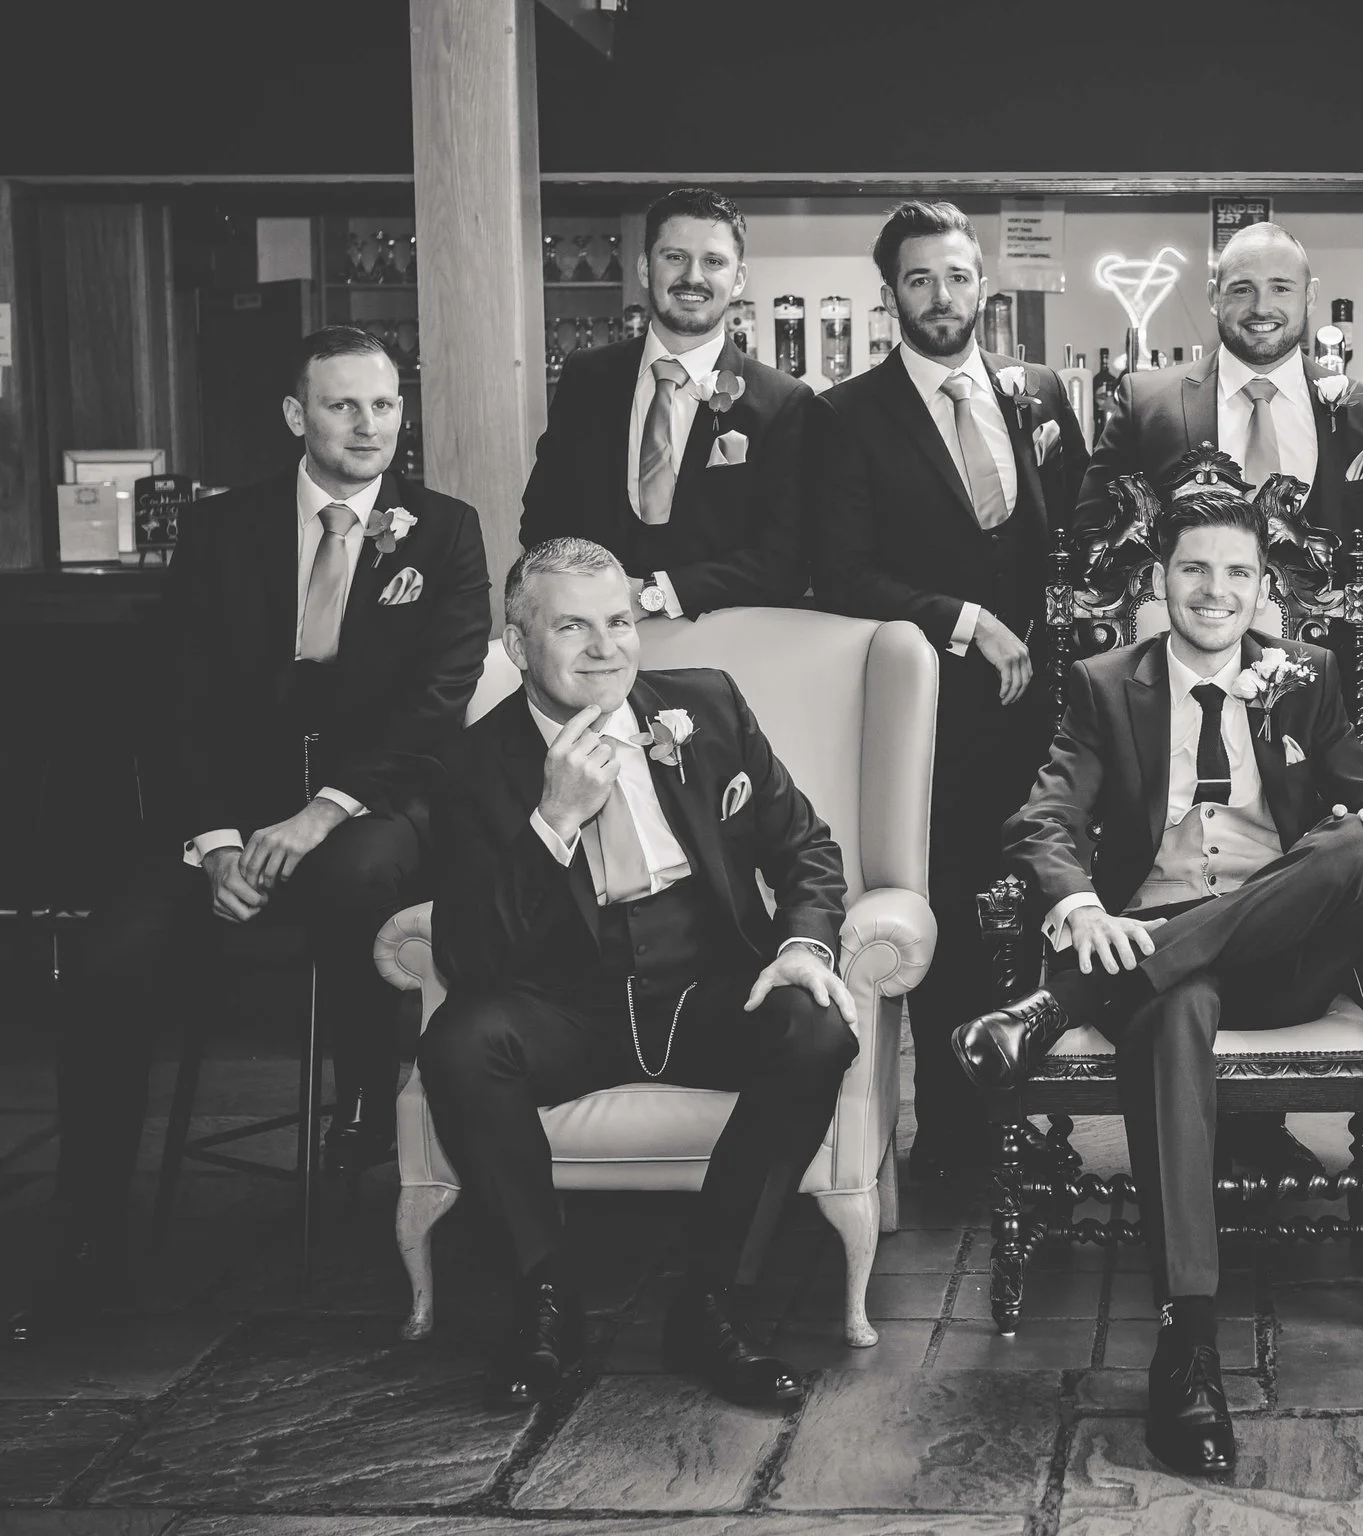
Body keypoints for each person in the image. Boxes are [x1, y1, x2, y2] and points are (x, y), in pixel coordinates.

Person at [10, 326, 490, 1345]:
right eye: (343, 406)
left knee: (359, 878)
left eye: (385, 405)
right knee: (108, 961)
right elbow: (175, 699)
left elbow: (439, 701)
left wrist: (322, 813)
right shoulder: (226, 528)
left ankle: (365, 1103)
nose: (369, 426)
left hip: (375, 803)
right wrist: (219, 842)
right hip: (227, 810)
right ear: (296, 416)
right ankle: (89, 1230)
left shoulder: (443, 531)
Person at [953, 471, 1363, 1476]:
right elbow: (1045, 814)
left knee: (1349, 847)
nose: (1215, 589)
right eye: (1194, 568)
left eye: (1237, 572)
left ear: (1263, 588)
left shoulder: (1309, 674)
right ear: (1159, 579)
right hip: (1156, 959)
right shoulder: (1111, 681)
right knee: (1173, 1007)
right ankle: (1187, 1339)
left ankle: (1056, 1001)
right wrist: (1076, 903)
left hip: (1280, 956)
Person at [419, 538, 857, 1408]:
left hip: (708, 987)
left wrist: (803, 946)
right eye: (571, 626)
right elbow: (467, 958)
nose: (604, 646)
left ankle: (711, 1300)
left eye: (618, 621)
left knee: (816, 1029)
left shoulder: (709, 707)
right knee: (459, 1043)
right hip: (564, 1004)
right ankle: (544, 1300)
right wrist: (554, 821)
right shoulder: (470, 765)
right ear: (518, 647)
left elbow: (805, 847)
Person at [812, 201, 1088, 1185]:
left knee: (1044, 907)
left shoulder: (1039, 394)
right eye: (919, 280)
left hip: (1044, 717)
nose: (942, 297)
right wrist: (963, 619)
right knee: (953, 916)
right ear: (891, 295)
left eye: (958, 277)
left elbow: (1076, 535)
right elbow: (838, 576)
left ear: (985, 285)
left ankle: (1037, 1125)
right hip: (934, 719)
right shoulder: (846, 417)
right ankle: (958, 1144)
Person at [1072, 220, 1363, 727]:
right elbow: (1092, 548)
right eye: (1242, 289)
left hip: (1330, 705)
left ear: (1310, 296)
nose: (1262, 307)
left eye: (1280, 287)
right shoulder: (1145, 403)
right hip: (1174, 702)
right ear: (1214, 297)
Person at [520, 186, 816, 617]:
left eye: (713, 261)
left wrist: (654, 595)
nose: (692, 277)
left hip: (719, 646)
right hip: (593, 634)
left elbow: (787, 561)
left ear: (738, 278)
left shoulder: (783, 402)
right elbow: (543, 520)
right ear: (644, 267)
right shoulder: (586, 376)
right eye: (674, 256)